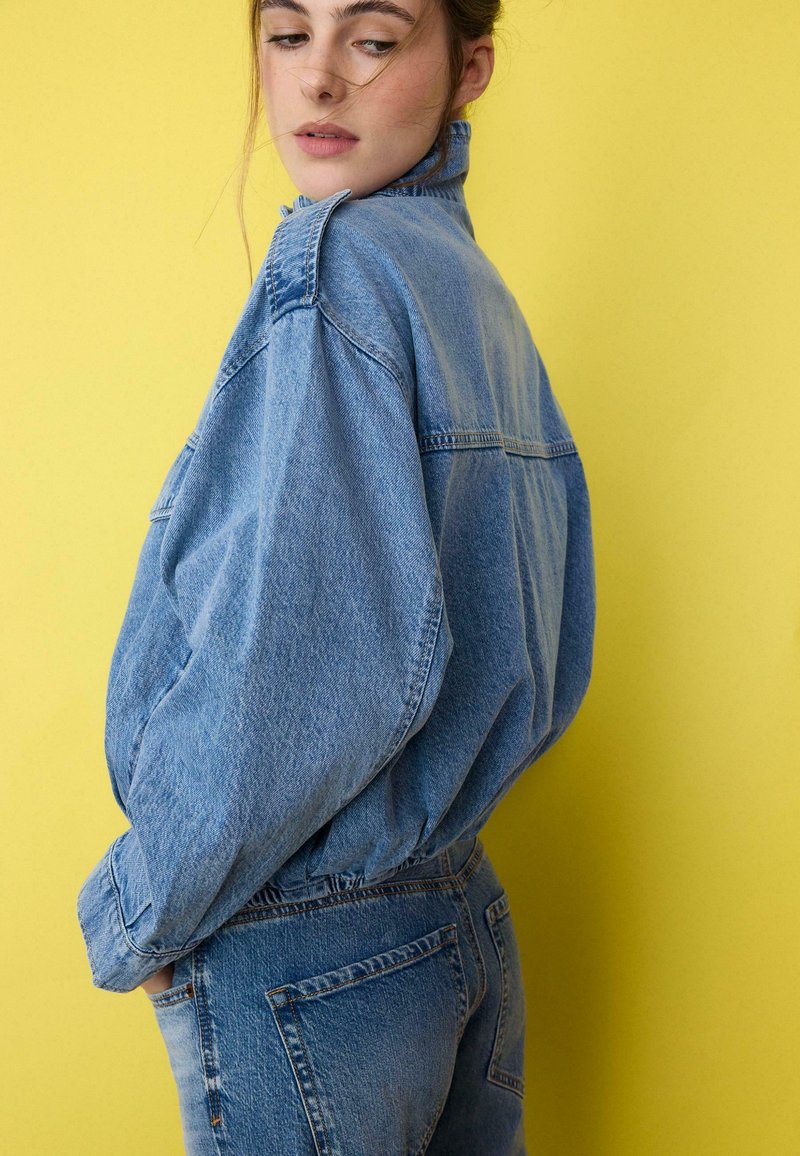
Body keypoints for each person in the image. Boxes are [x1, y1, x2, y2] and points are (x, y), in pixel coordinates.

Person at [76, 0, 596, 1151]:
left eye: (371, 39)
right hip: (456, 917)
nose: (316, 81)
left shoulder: (341, 266)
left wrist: (143, 908)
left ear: (468, 66)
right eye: (285, 35)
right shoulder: (471, 290)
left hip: (306, 945)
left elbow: (309, 656)